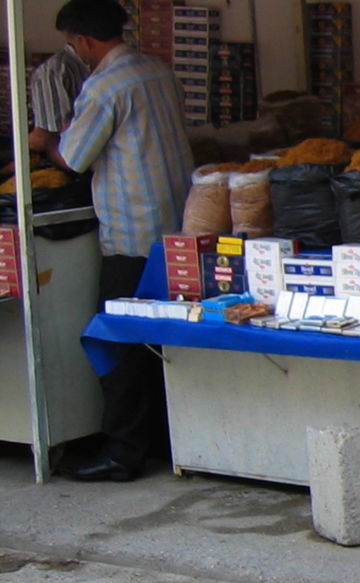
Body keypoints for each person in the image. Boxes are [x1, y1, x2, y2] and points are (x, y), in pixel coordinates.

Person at [41, 0, 193, 483]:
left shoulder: (104, 85)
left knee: (124, 346)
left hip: (131, 233)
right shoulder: (158, 70)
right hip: (176, 228)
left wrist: (41, 141)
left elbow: (73, 157)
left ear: (83, 40)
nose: (74, 52)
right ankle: (168, 442)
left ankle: (123, 452)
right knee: (164, 342)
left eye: (71, 44)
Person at [27, 42, 90, 153]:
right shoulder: (53, 72)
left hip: (74, 155)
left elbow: (45, 137)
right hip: (66, 155)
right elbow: (47, 135)